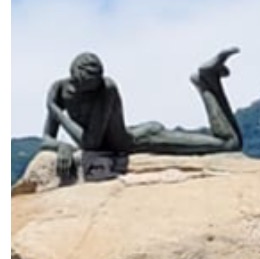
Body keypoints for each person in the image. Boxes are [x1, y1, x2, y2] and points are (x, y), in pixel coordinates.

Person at [39, 46, 244, 181]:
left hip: (139, 140)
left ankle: (209, 82)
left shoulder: (107, 88)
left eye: (93, 86)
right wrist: (62, 146)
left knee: (229, 144)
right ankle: (208, 80)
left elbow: (90, 143)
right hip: (132, 134)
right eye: (85, 86)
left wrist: (55, 110)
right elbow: (46, 138)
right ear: (74, 76)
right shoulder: (59, 89)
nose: (90, 90)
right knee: (229, 144)